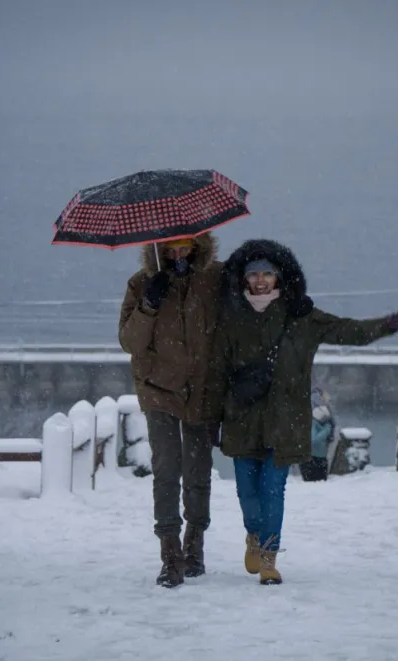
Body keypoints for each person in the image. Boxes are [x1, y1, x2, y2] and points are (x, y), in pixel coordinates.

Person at [212, 238, 398, 584]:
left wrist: (387, 325)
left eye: (267, 274)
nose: (260, 281)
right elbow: (215, 369)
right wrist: (210, 418)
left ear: (279, 278)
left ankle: (269, 557)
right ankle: (253, 534)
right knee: (248, 492)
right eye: (254, 275)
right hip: (242, 419)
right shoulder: (230, 317)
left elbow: (346, 330)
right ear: (243, 279)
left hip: (285, 420)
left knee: (274, 490)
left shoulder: (300, 316)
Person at [118, 233, 223, 588]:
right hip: (158, 387)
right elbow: (129, 342)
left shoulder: (215, 279)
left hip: (202, 388)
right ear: (159, 250)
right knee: (166, 467)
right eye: (171, 249)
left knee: (198, 468)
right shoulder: (142, 282)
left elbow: (242, 320)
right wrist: (148, 304)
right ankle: (170, 553)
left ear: (198, 249)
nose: (178, 254)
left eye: (185, 248)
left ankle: (195, 544)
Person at [299, 387, 334, 482]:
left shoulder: (307, 404)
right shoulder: (322, 408)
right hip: (316, 455)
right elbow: (315, 439)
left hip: (307, 453)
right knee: (319, 480)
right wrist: (329, 432)